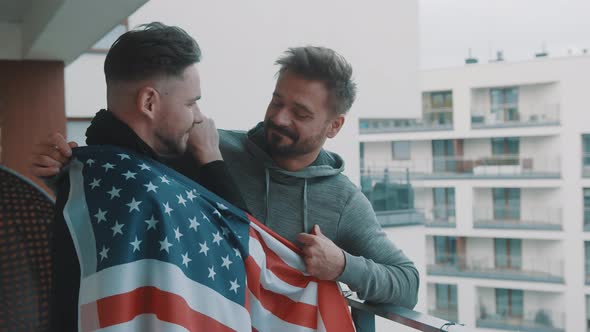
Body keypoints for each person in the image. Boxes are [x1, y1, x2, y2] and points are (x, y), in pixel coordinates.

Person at [34, 47, 419, 308]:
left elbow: (407, 283)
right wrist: (70, 172)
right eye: (277, 101)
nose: (280, 118)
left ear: (334, 126)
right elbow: (132, 181)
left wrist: (342, 266)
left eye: (300, 113)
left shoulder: (343, 201)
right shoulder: (209, 146)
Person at [47, 22, 248, 330]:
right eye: (191, 102)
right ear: (149, 102)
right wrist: (212, 159)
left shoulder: (95, 173)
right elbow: (242, 249)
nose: (199, 116)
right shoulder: (143, 189)